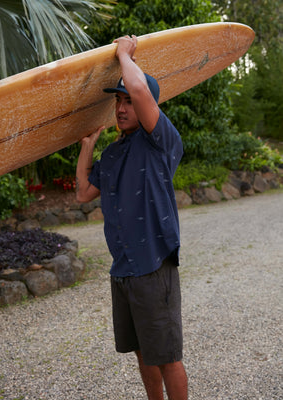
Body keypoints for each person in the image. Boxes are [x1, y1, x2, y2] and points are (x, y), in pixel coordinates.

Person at [76, 35, 188, 400]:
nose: (122, 108)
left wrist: (125, 53)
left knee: (167, 356)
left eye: (129, 101)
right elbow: (83, 194)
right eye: (118, 101)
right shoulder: (111, 156)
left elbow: (141, 90)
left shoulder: (160, 142)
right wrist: (88, 149)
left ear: (147, 105)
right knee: (142, 351)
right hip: (122, 268)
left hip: (154, 265)